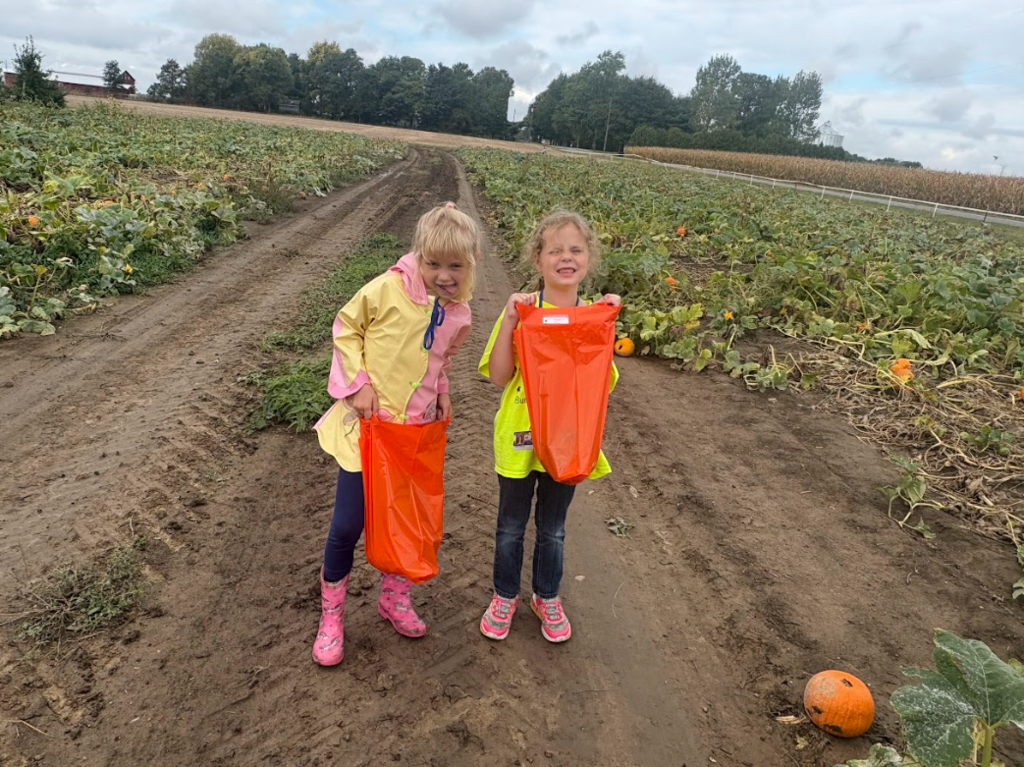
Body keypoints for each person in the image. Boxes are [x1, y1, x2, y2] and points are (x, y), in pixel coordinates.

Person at [310, 202, 479, 667]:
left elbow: (438, 360)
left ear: (470, 266)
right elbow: (346, 330)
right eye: (434, 263)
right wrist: (358, 386)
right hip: (368, 430)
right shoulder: (386, 291)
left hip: (414, 434)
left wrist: (442, 390)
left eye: (456, 266)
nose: (444, 275)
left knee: (405, 520)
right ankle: (331, 616)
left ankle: (394, 599)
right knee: (348, 524)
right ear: (418, 255)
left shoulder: (457, 314)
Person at [478, 210, 620, 643]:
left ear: (588, 260)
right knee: (510, 525)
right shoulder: (523, 312)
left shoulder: (596, 318)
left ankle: (546, 595)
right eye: (554, 250)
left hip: (569, 440)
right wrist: (508, 320)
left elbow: (603, 382)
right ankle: (505, 595)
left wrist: (607, 325)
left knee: (553, 528)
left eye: (575, 249)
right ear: (537, 260)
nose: (566, 257)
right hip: (520, 437)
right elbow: (499, 376)